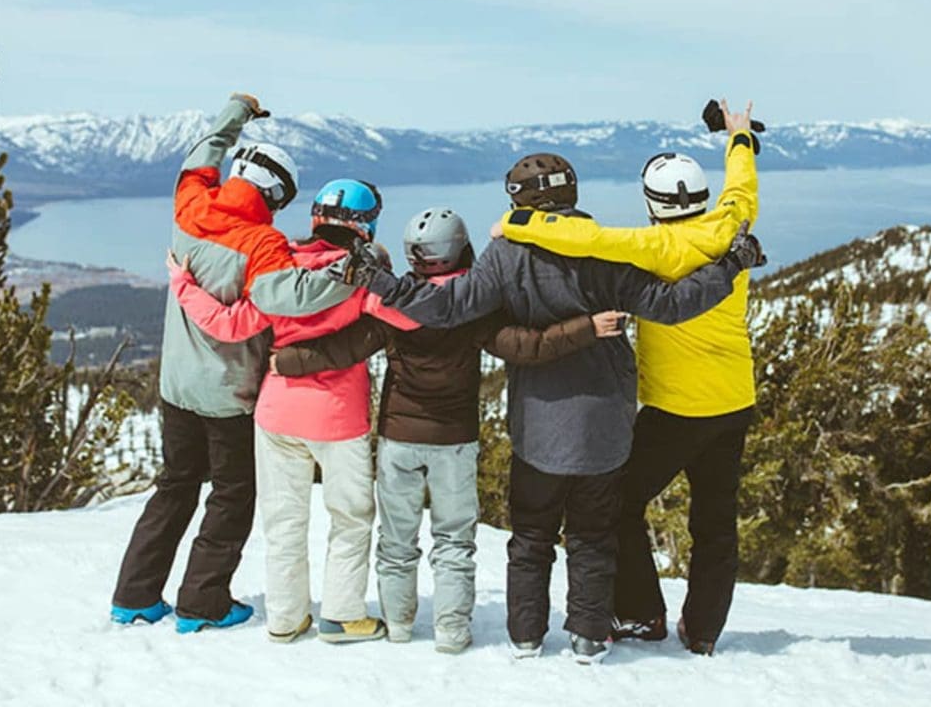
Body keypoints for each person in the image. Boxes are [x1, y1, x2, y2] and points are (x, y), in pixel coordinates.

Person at [332, 157, 765, 664]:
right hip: (604, 423)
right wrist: (731, 265)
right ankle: (587, 637)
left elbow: (447, 308)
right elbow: (672, 305)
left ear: (518, 201)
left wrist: (379, 281)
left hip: (538, 422)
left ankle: (525, 635)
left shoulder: (505, 255)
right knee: (593, 537)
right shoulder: (604, 249)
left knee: (531, 537)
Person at [270, 207, 626, 655]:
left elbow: (343, 348)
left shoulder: (391, 304)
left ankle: (399, 624)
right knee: (454, 540)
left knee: (397, 539)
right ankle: (452, 631)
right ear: (461, 249)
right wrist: (585, 328)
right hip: (454, 440)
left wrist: (286, 361)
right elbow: (527, 347)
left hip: (399, 438)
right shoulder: (474, 308)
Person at [496, 100, 761, 654]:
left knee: (617, 505)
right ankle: (704, 630)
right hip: (734, 402)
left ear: (651, 202)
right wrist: (738, 138)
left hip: (673, 412)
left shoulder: (654, 247)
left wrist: (518, 220)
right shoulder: (734, 224)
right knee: (715, 521)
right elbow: (742, 185)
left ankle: (641, 613)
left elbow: (584, 239)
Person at [110, 93, 356, 634]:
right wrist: (345, 276)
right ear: (274, 193)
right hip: (228, 393)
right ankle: (203, 601)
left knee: (175, 484)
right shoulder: (262, 242)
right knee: (232, 493)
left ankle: (134, 596)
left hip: (175, 384)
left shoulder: (189, 206)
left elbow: (199, 155)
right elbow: (281, 298)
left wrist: (235, 113)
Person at [166, 179, 417, 644]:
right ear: (368, 225)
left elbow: (229, 323)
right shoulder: (360, 278)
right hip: (338, 418)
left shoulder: (280, 270)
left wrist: (183, 284)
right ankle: (341, 616)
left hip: (276, 413)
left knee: (284, 520)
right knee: (350, 517)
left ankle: (285, 618)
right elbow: (414, 315)